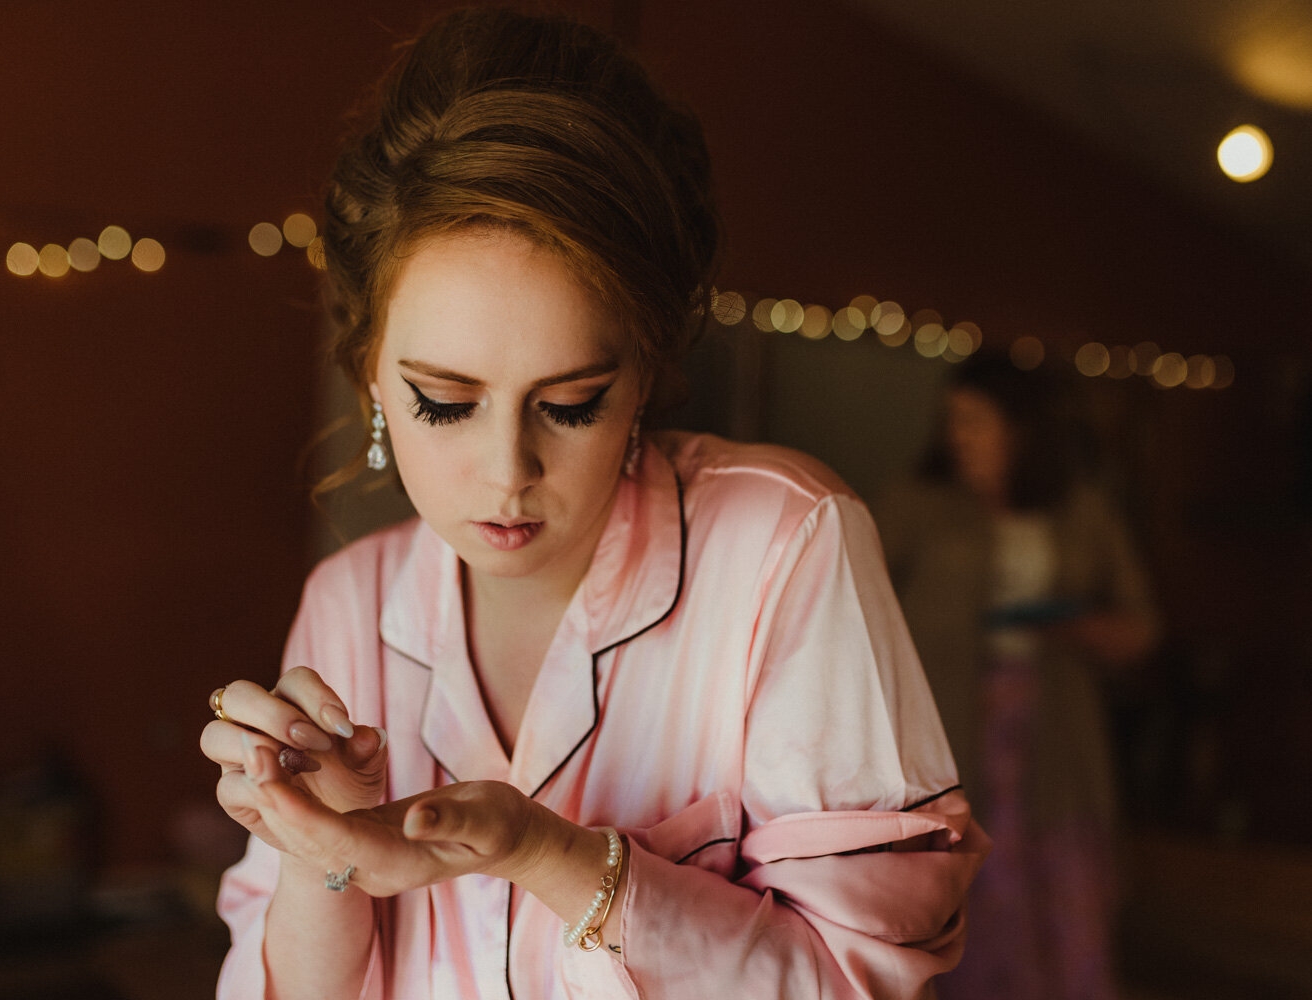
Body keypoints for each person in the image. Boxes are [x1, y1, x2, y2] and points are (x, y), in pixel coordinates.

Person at [200, 9, 985, 998]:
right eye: (443, 403)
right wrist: (320, 849)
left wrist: (547, 853)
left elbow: (856, 979)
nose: (506, 471)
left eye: (570, 405)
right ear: (369, 376)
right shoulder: (347, 603)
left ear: (647, 370)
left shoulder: (784, 542)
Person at [875, 354, 1158, 1000]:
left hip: (1053, 738)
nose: (959, 435)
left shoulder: (1081, 512)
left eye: (976, 420)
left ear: (1023, 430)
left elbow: (1140, 626)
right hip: (947, 735)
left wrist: (1080, 625)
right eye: (953, 420)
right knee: (961, 899)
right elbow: (859, 610)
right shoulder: (916, 506)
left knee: (1058, 897)